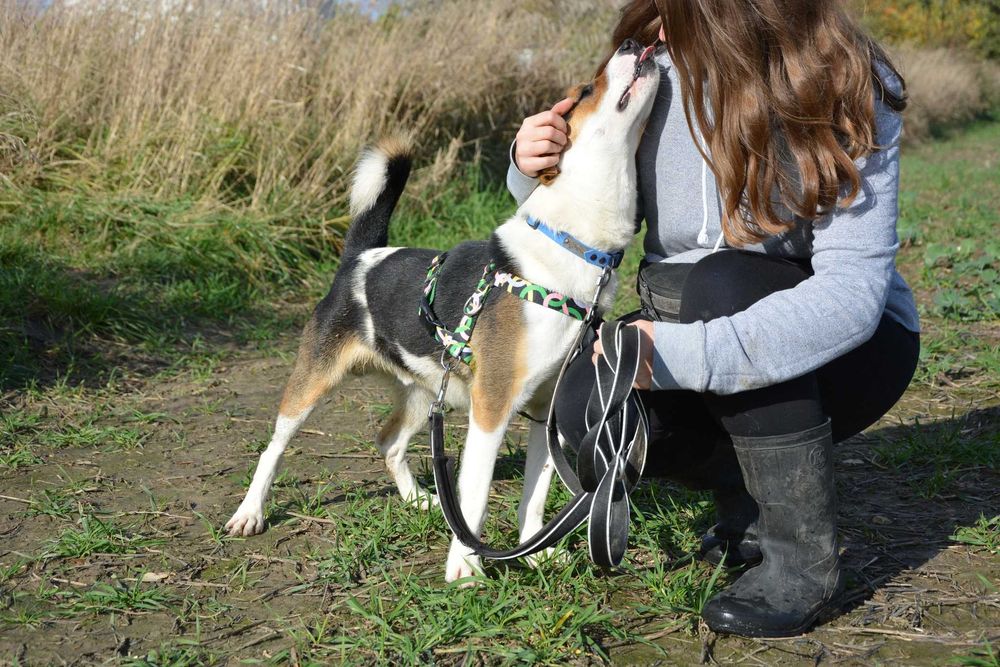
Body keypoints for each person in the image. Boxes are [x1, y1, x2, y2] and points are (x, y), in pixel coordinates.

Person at [506, 0, 920, 638]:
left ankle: (801, 563)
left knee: (721, 280)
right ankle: (746, 493)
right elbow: (600, 205)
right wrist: (531, 165)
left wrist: (677, 356)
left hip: (850, 352)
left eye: (677, 12)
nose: (660, 29)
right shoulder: (655, 72)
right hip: (689, 314)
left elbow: (850, 297)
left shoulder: (848, 81)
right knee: (582, 407)